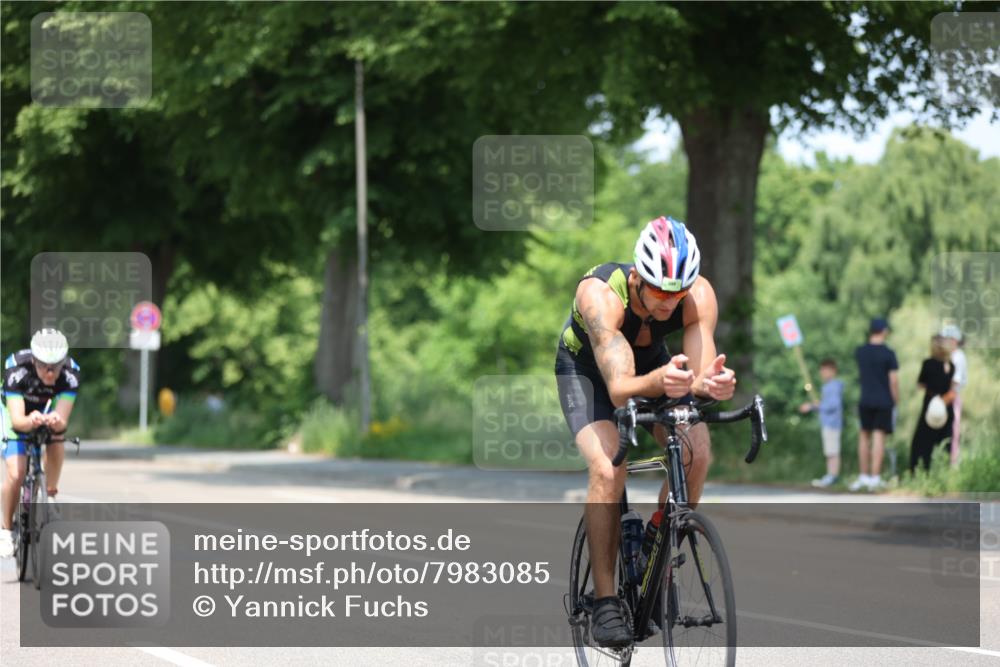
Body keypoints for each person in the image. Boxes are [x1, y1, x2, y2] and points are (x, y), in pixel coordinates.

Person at [554, 216, 737, 647]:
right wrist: (668, 383)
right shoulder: (600, 296)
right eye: (658, 290)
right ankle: (604, 600)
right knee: (608, 465)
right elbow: (620, 390)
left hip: (655, 367)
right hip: (589, 374)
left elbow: (698, 372)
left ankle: (658, 548)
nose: (668, 302)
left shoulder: (697, 297)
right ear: (637, 276)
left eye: (677, 292)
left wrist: (708, 385)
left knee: (696, 449)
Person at [0, 329, 81, 558]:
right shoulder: (16, 369)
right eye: (44, 365)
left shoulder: (71, 373)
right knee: (17, 473)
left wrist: (56, 421)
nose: (49, 372)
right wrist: (30, 420)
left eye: (55, 366)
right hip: (13, 411)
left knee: (57, 438)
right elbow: (17, 421)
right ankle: (6, 531)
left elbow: (62, 420)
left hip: (46, 408)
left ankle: (51, 495)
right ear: (34, 360)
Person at [849, 318, 899, 492]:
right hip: (884, 400)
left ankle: (863, 476)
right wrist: (896, 401)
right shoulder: (889, 353)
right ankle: (875, 478)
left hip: (865, 399)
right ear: (884, 331)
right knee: (879, 437)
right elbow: (893, 381)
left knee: (863, 436)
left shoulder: (860, 352)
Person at [909, 335, 955, 473]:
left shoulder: (928, 363)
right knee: (945, 442)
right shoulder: (951, 366)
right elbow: (951, 386)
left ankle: (919, 472)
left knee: (921, 443)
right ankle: (944, 472)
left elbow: (921, 384)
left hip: (930, 406)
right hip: (947, 407)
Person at [799, 358, 843, 488]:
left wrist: (814, 406)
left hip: (832, 424)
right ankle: (830, 475)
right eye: (822, 371)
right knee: (829, 451)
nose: (822, 373)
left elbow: (833, 405)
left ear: (833, 371)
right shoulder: (828, 386)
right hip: (828, 424)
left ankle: (833, 476)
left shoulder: (833, 386)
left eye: (825, 370)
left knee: (832, 451)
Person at [940, 324, 967, 466]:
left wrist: (942, 401)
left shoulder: (958, 357)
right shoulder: (947, 356)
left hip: (951, 397)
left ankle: (952, 466)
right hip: (946, 398)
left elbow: (955, 383)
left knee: (952, 434)